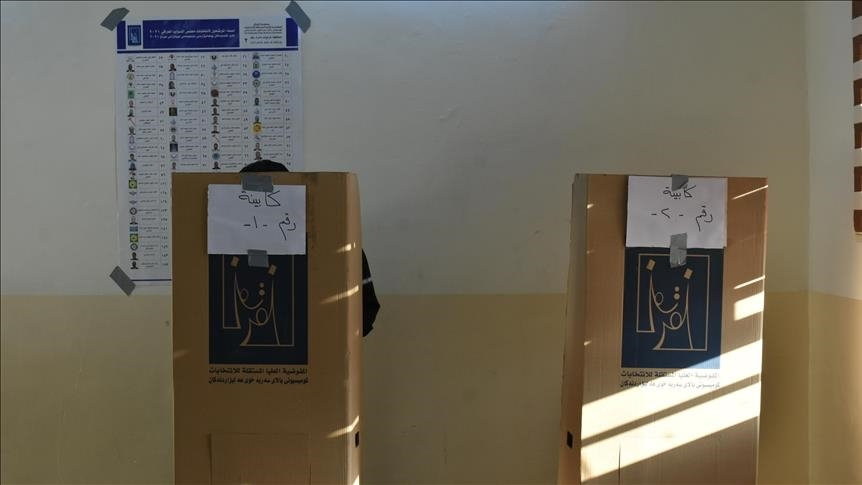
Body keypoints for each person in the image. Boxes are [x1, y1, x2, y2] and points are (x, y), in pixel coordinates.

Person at [239, 160, 381, 336]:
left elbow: (365, 308)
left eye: (270, 200)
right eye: (253, 202)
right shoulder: (226, 250)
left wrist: (328, 341)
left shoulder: (334, 243)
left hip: (320, 348)